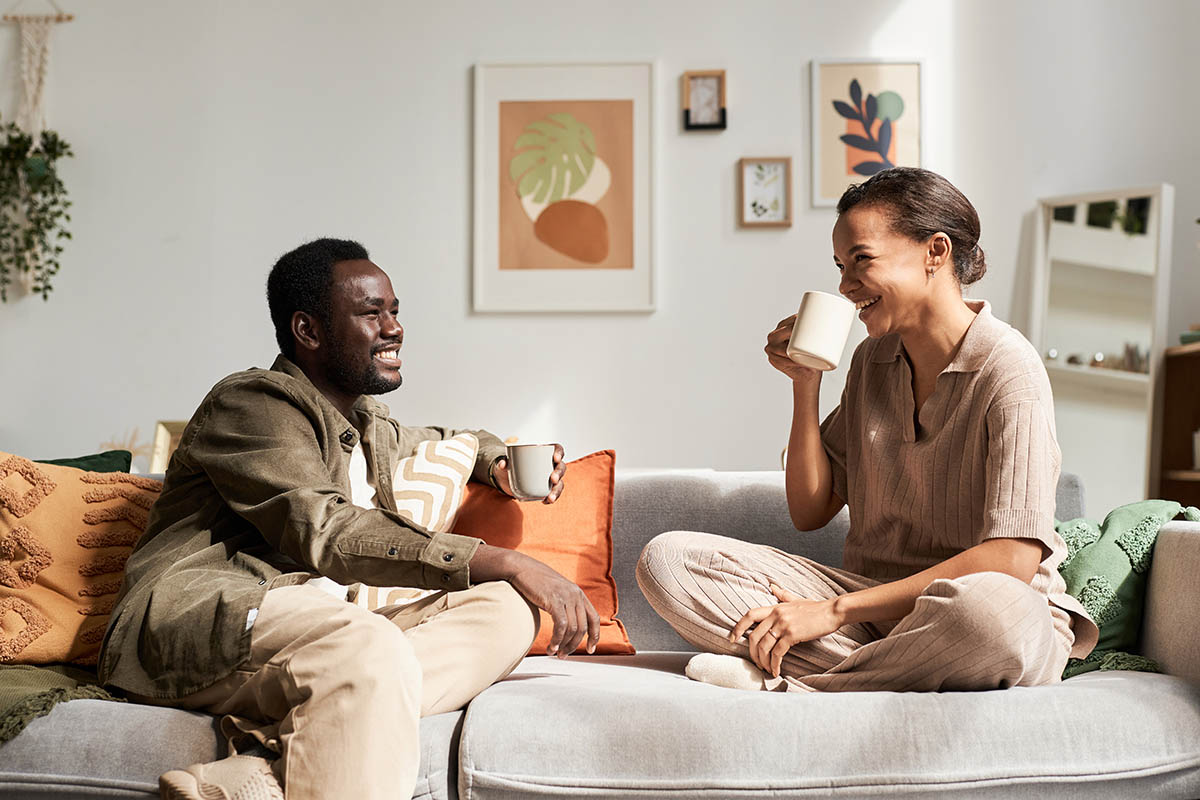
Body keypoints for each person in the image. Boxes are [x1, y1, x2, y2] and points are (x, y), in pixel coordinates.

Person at [99, 238, 599, 800]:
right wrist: (502, 560)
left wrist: (499, 464)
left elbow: (451, 439)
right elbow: (327, 531)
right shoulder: (252, 405)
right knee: (372, 645)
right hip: (207, 619)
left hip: (322, 628)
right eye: (370, 313)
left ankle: (267, 765)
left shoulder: (367, 424)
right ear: (308, 331)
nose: (394, 328)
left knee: (506, 609)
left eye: (395, 311)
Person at [637, 168, 1098, 693]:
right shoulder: (871, 360)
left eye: (861, 259)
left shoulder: (1008, 367)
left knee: (988, 617)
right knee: (668, 561)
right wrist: (805, 384)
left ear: (936, 251)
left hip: (979, 610)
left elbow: (1012, 561)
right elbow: (810, 511)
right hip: (874, 607)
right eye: (839, 266)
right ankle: (890, 669)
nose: (844, 285)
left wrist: (832, 611)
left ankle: (800, 683)